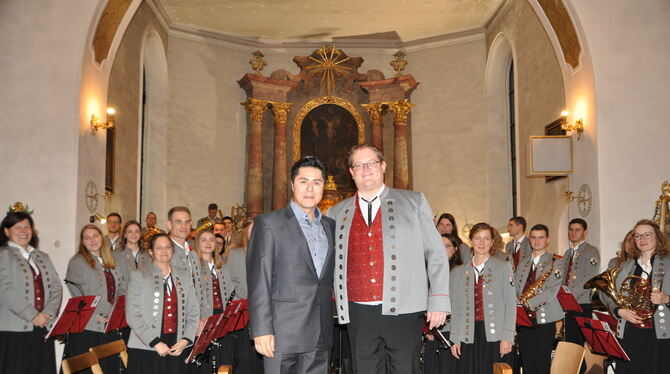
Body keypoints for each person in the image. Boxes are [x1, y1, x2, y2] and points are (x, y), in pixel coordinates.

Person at [328, 144, 450, 374]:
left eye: (371, 162)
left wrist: (439, 300)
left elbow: (436, 253)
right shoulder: (336, 212)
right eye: (359, 165)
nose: (366, 169)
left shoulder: (414, 202)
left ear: (383, 166)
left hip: (404, 309)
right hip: (358, 311)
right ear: (351, 172)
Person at [248, 156, 336, 374]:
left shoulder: (330, 227)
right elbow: (260, 280)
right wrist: (261, 330)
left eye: (316, 183)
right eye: (303, 181)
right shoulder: (269, 224)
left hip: (321, 335)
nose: (310, 189)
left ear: (323, 187)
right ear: (292, 185)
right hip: (281, 334)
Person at [126, 233, 199, 374]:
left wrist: (186, 340)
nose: (164, 251)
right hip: (146, 346)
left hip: (177, 345)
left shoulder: (184, 274)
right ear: (151, 251)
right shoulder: (139, 275)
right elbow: (132, 315)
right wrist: (154, 342)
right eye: (159, 248)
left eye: (167, 247)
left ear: (172, 250)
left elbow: (193, 311)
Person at [0, 210, 62, 374]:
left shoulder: (42, 256)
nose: (23, 231)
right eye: (17, 227)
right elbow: (4, 289)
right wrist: (32, 315)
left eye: (27, 227)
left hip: (42, 326)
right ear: (7, 231)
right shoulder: (2, 254)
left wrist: (47, 314)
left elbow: (56, 286)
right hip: (14, 330)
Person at [449, 222, 516, 374]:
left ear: (492, 242)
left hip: (496, 335)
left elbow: (510, 305)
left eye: (486, 239)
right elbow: (456, 308)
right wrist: (455, 338)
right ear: (471, 241)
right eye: (478, 238)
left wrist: (507, 336)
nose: (482, 243)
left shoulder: (503, 267)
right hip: (468, 334)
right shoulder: (458, 272)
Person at [65, 224, 127, 373]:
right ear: (82, 242)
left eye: (95, 236)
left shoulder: (110, 261)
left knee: (108, 367)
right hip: (89, 326)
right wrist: (104, 315)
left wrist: (115, 314)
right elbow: (81, 296)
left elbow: (122, 289)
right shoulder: (78, 262)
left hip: (109, 324)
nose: (92, 240)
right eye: (87, 238)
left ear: (102, 238)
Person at [514, 224, 564, 374]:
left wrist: (527, 303)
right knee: (527, 362)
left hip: (544, 320)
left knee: (541, 364)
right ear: (530, 240)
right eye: (534, 238)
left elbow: (551, 291)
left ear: (547, 240)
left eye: (541, 237)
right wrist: (516, 304)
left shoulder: (556, 261)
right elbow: (515, 288)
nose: (537, 241)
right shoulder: (523, 263)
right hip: (523, 320)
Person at [194, 230, 233, 373]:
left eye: (211, 240)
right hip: (204, 318)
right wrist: (197, 318)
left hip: (222, 317)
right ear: (198, 243)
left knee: (223, 361)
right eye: (204, 240)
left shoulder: (222, 264)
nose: (209, 243)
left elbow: (230, 290)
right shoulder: (193, 265)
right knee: (205, 363)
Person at [423, 233, 462, 374]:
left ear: (455, 249)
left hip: (454, 334)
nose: (443, 249)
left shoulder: (461, 271)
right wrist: (427, 328)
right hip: (433, 333)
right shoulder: (426, 271)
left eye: (447, 246)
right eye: (440, 246)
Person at [561, 218, 600, 346]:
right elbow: (563, 277)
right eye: (571, 230)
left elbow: (590, 276)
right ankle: (577, 367)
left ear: (585, 232)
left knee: (578, 343)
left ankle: (581, 367)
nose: (573, 233)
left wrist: (571, 296)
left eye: (577, 230)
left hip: (582, 303)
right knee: (570, 342)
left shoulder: (591, 250)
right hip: (569, 304)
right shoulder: (568, 253)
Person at [166, 206, 206, 322]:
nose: (184, 226)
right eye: (178, 222)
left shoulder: (193, 252)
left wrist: (202, 316)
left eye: (187, 222)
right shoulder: (163, 252)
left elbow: (199, 286)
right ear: (169, 225)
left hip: (194, 317)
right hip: (174, 319)